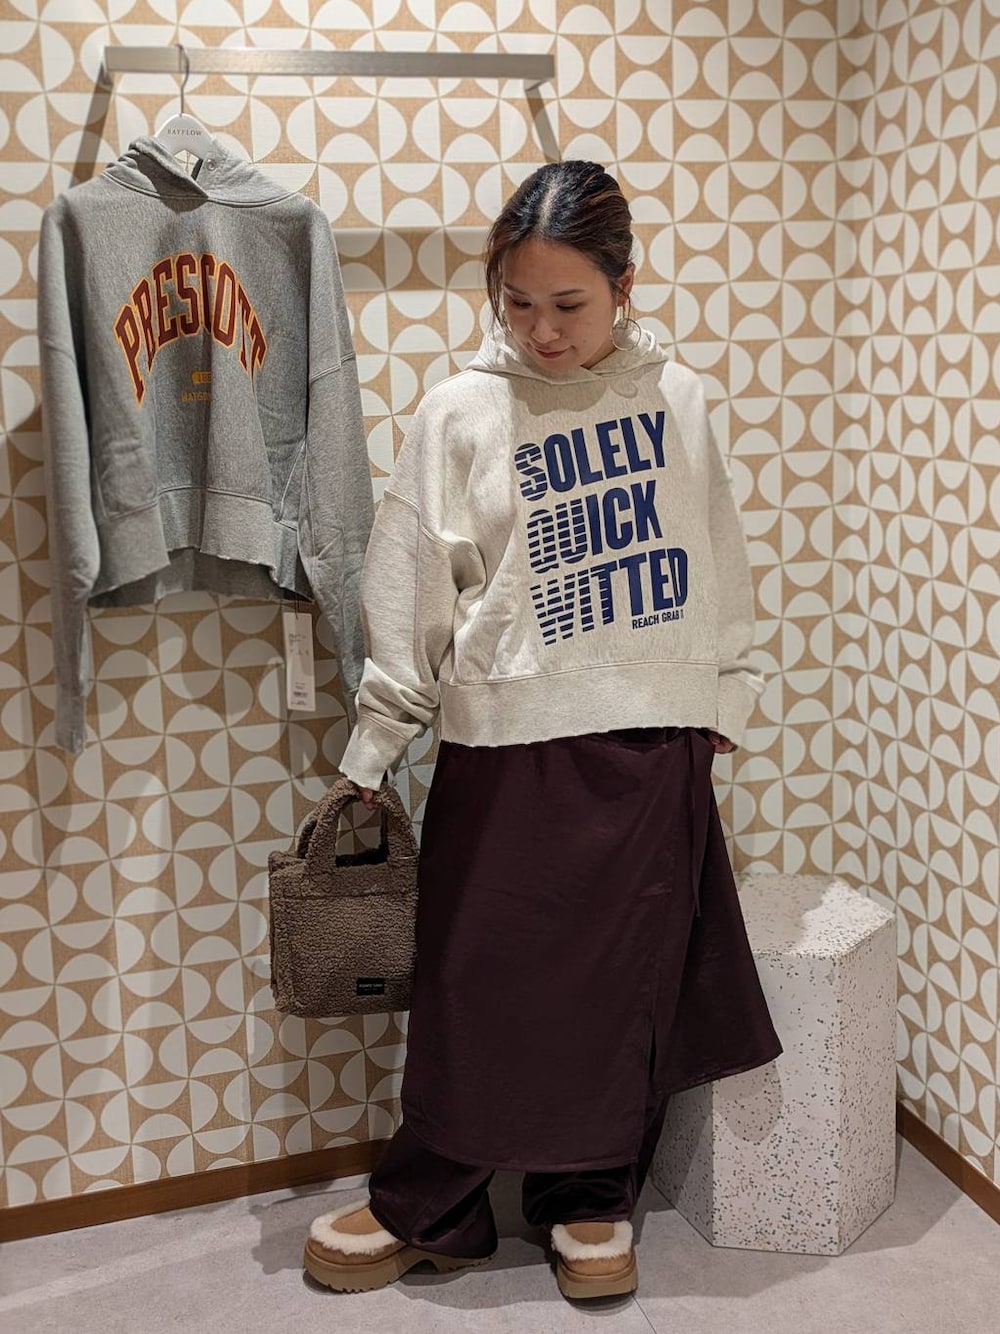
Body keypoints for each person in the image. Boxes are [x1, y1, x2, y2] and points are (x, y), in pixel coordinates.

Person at [301, 160, 782, 1301]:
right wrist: (376, 743)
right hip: (505, 742)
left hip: (649, 743)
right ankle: (434, 1200)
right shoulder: (462, 409)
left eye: (569, 303)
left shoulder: (680, 399)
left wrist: (724, 697)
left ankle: (593, 1194)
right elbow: (411, 578)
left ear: (625, 285)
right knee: (474, 981)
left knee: (623, 987)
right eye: (517, 301)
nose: (541, 329)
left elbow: (714, 551)